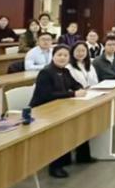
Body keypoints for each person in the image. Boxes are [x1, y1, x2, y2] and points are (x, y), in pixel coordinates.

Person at [29, 45, 88, 178]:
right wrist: (73, 94)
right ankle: (55, 166)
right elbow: (47, 95)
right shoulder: (46, 72)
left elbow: (75, 84)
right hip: (42, 111)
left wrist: (79, 88)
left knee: (81, 120)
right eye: (59, 55)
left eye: (65, 55)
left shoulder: (65, 71)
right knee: (61, 128)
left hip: (59, 107)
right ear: (53, 56)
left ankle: (81, 156)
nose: (62, 58)